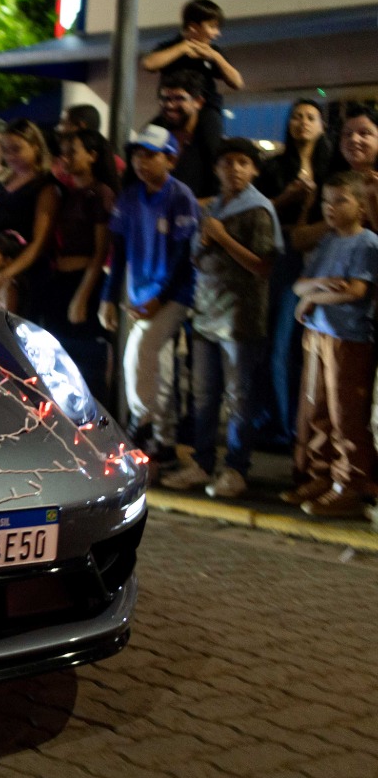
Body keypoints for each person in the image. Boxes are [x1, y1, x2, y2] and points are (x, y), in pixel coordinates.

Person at [161, 139, 281, 498]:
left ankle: (236, 468)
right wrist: (207, 242)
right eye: (227, 162)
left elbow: (262, 266)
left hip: (240, 319)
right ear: (216, 169)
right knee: (203, 395)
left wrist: (223, 238)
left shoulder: (259, 210)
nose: (234, 169)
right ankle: (201, 463)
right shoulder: (212, 207)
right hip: (205, 314)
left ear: (254, 169)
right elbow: (197, 256)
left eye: (243, 162)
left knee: (239, 397)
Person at [100, 124, 200, 463]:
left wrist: (160, 298)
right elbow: (119, 250)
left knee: (140, 350)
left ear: (170, 159)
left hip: (174, 294)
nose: (142, 162)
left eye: (151, 155)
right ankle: (164, 438)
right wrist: (108, 297)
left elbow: (183, 257)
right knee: (157, 362)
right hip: (140, 293)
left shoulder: (180, 196)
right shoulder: (130, 197)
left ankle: (140, 424)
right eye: (138, 155)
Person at [283, 171, 378, 518]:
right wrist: (318, 289)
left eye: (341, 201)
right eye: (326, 201)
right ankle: (321, 475)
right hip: (318, 333)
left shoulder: (367, 244)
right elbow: (299, 285)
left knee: (345, 414)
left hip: (348, 338)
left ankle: (351, 484)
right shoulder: (328, 241)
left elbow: (355, 291)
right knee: (316, 409)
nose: (331, 208)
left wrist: (312, 297)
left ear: (361, 207)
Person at [257, 99, 339, 446]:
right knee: (278, 342)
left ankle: (301, 424)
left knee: (307, 347)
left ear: (322, 126)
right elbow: (259, 212)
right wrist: (287, 198)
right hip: (285, 258)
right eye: (296, 117)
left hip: (325, 260)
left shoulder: (332, 167)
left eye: (310, 117)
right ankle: (280, 424)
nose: (302, 122)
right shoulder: (275, 167)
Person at [41, 128, 118, 402]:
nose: (66, 157)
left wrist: (82, 297)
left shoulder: (100, 194)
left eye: (73, 152)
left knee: (86, 366)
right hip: (61, 282)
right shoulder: (70, 192)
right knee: (59, 361)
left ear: (93, 155)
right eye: (64, 152)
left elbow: (101, 252)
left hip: (84, 282)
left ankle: (95, 422)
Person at [0, 120, 60, 320]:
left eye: (17, 149)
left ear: (35, 146)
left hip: (20, 277)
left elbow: (39, 243)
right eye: (6, 150)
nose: (10, 156)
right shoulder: (0, 180)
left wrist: (5, 275)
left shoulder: (45, 187)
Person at [141, 0, 244, 118]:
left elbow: (237, 83)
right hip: (174, 111)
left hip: (206, 111)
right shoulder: (170, 47)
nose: (217, 33)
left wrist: (215, 57)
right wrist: (183, 47)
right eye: (212, 27)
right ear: (193, 27)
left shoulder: (214, 52)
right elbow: (149, 64)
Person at [152, 69, 223, 199]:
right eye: (166, 99)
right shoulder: (153, 134)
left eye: (179, 98)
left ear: (198, 102)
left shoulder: (209, 141)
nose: (170, 105)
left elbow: (221, 194)